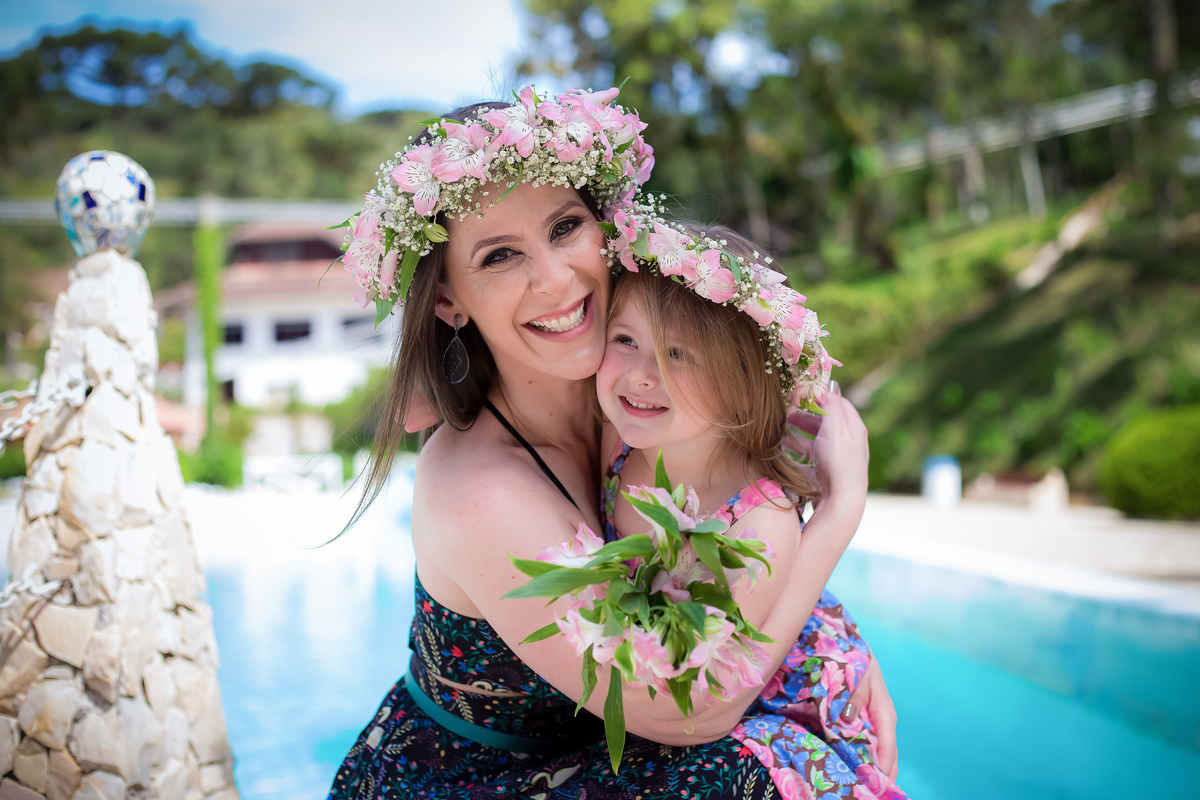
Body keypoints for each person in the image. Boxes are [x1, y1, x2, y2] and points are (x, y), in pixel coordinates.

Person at [328, 85, 897, 799]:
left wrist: (828, 650)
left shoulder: (629, 392)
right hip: (476, 780)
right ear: (450, 301)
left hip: (593, 758)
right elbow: (689, 709)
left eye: (565, 228)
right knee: (758, 771)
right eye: (501, 256)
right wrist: (839, 515)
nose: (555, 279)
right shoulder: (482, 493)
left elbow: (725, 517)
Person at [595, 221, 908, 799]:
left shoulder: (757, 520)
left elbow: (721, 680)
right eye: (625, 339)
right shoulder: (621, 439)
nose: (642, 373)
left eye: (678, 353)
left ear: (739, 379)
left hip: (780, 691)